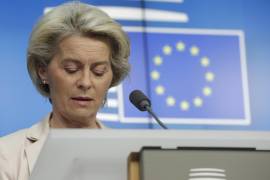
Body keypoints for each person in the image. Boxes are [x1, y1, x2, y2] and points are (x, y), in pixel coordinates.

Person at [0, 2, 130, 180]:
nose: (85, 82)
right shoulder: (6, 155)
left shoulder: (133, 153)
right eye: (71, 69)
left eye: (98, 71)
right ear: (42, 70)